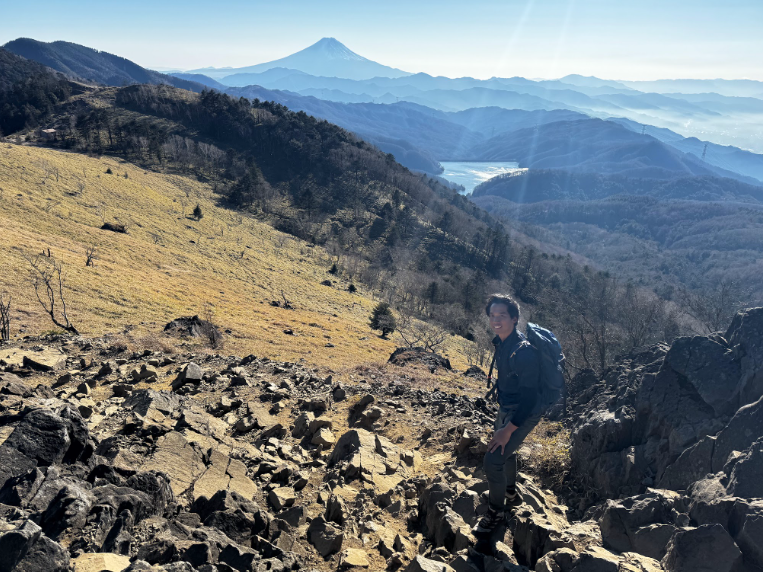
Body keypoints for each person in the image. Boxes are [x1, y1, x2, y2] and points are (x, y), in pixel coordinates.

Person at [473, 294, 542, 536]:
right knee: (504, 452)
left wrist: (507, 429)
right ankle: (510, 494)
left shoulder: (523, 352)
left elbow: (530, 400)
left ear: (514, 318)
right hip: (508, 406)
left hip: (524, 411)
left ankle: (496, 512)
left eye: (502, 315)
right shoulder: (503, 343)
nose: (496, 320)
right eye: (492, 315)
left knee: (492, 460)